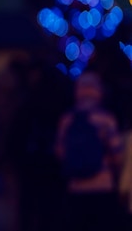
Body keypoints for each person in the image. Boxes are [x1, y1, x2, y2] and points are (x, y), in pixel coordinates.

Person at [54, 70, 125, 231]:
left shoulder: (67, 119)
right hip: (102, 186)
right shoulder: (106, 118)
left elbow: (59, 151)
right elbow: (117, 153)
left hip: (75, 186)